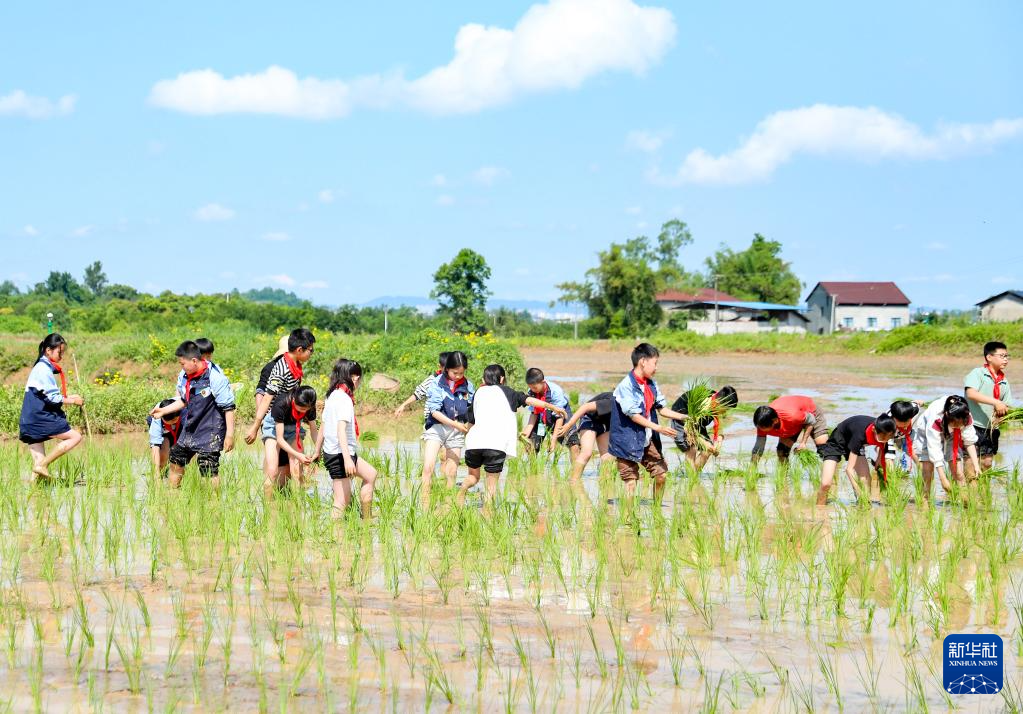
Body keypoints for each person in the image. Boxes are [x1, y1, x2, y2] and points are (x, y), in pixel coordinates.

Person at [458, 364, 566, 506]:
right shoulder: (508, 392)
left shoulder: (478, 393)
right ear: (502, 379)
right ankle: (488, 511)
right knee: (491, 488)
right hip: (495, 445)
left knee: (473, 477)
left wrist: (467, 440)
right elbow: (528, 400)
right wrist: (552, 407)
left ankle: (460, 494)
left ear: (484, 379)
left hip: (474, 444)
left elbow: (470, 422)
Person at [151, 341, 236, 488]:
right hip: (191, 426)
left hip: (211, 429)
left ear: (194, 361)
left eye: (183, 364)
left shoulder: (215, 377)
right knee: (176, 458)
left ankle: (213, 501)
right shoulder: (185, 376)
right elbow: (184, 400)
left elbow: (228, 407)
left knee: (208, 467)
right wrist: (164, 410)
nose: (181, 367)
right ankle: (172, 494)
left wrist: (229, 435)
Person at [608, 343, 687, 501]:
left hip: (646, 438)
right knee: (631, 482)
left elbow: (662, 409)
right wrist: (659, 428)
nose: (656, 368)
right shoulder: (626, 386)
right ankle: (628, 516)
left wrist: (685, 417)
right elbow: (634, 416)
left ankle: (656, 510)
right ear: (643, 361)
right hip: (627, 440)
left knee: (661, 476)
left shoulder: (651, 384)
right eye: (655, 363)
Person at [243, 329, 316, 494]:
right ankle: (269, 508)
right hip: (274, 421)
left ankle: (297, 506)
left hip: (292, 421)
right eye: (310, 350)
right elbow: (267, 398)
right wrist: (255, 426)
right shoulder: (281, 369)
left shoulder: (296, 365)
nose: (312, 354)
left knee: (297, 471)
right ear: (299, 350)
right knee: (272, 471)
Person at [19, 333, 85, 480]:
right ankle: (43, 465)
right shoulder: (43, 369)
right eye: (59, 352)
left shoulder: (41, 367)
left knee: (38, 473)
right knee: (75, 437)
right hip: (39, 417)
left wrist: (70, 397)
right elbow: (53, 398)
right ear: (48, 351)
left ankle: (35, 489)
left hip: (29, 419)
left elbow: (45, 394)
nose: (61, 356)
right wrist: (73, 401)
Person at [317, 359, 378, 519]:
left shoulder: (332, 396)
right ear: (355, 378)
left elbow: (323, 425)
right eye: (360, 379)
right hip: (339, 455)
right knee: (341, 501)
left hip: (335, 452)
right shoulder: (344, 399)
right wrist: (347, 459)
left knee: (371, 474)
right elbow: (341, 430)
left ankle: (366, 518)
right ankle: (336, 532)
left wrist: (317, 451)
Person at [420, 351, 474, 505]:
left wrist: (468, 426)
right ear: (447, 369)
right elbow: (434, 411)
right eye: (455, 372)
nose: (458, 376)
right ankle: (425, 505)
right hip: (436, 427)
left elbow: (472, 408)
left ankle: (448, 505)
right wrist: (455, 424)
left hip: (456, 431)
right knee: (428, 467)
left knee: (452, 471)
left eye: (461, 373)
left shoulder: (468, 386)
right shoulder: (437, 383)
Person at [816, 414, 897, 506]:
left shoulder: (887, 429)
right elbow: (849, 469)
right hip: (838, 441)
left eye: (889, 437)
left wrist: (879, 458)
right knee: (826, 484)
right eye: (883, 437)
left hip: (858, 444)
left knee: (865, 479)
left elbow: (884, 445)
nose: (886, 440)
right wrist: (859, 491)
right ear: (874, 430)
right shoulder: (860, 435)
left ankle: (864, 506)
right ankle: (820, 509)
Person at [913, 394, 980, 504]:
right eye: (955, 424)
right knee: (928, 470)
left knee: (958, 472)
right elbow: (934, 449)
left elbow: (969, 442)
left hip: (952, 434)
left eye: (960, 424)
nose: (958, 426)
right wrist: (943, 479)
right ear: (947, 415)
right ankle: (925, 500)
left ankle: (966, 503)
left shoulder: (965, 416)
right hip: (926, 431)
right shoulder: (935, 418)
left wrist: (976, 466)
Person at [964, 341, 1011, 473]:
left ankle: (984, 486)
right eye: (1002, 356)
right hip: (972, 425)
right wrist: (995, 402)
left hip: (991, 428)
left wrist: (1002, 417)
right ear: (989, 357)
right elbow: (971, 393)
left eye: (1007, 356)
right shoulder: (978, 373)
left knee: (987, 463)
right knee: (970, 462)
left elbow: (1006, 404)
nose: (1006, 359)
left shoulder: (1004, 381)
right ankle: (969, 486)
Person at [670, 385, 739, 472]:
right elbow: (689, 430)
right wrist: (704, 443)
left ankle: (693, 475)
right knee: (691, 448)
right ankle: (691, 476)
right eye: (725, 409)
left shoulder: (717, 402)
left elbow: (719, 426)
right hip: (681, 417)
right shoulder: (702, 405)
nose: (725, 412)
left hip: (697, 422)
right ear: (718, 403)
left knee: (707, 451)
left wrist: (718, 442)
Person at [269, 385, 319, 494]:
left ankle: (298, 502)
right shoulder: (281, 404)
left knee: (297, 472)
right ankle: (269, 503)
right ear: (294, 400)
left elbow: (314, 430)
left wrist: (318, 449)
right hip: (274, 429)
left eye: (307, 409)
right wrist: (298, 455)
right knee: (272, 472)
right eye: (302, 409)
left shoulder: (309, 406)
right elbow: (280, 439)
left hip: (294, 428)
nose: (305, 411)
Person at [556, 392, 616, 482]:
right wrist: (568, 425)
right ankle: (573, 481)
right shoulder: (613, 402)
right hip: (590, 419)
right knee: (586, 453)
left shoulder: (632, 408)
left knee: (608, 456)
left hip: (606, 423)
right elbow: (585, 407)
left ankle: (605, 483)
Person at [751, 395, 828, 464]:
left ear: (775, 421)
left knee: (824, 449)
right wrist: (752, 468)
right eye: (759, 427)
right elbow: (758, 448)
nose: (761, 430)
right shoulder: (762, 424)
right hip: (792, 421)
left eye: (763, 428)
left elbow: (811, 420)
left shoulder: (792, 416)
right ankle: (784, 475)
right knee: (782, 451)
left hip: (810, 412)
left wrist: (803, 443)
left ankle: (831, 474)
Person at [522, 368, 580, 456]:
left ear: (543, 382)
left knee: (574, 445)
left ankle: (576, 465)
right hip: (541, 419)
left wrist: (553, 440)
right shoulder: (531, 392)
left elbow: (559, 417)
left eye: (535, 387)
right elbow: (534, 413)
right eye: (530, 387)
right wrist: (527, 432)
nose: (532, 390)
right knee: (531, 446)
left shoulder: (556, 391)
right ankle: (533, 465)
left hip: (560, 417)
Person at [394, 352, 449, 417]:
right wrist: (403, 405)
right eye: (446, 369)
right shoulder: (432, 380)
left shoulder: (455, 380)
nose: (449, 371)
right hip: (432, 419)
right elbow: (418, 394)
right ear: (440, 366)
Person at [147, 398, 182, 475]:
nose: (172, 423)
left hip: (181, 423)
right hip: (164, 431)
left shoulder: (185, 410)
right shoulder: (157, 417)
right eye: (170, 422)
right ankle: (161, 472)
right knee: (163, 455)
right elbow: (155, 446)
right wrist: (156, 475)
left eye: (174, 420)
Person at [886, 400, 922, 472]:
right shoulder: (887, 425)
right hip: (891, 436)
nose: (904, 425)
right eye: (901, 423)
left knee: (916, 454)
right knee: (888, 456)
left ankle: (923, 474)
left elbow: (915, 403)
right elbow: (889, 452)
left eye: (906, 422)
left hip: (908, 434)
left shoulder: (915, 410)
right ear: (894, 419)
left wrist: (919, 402)